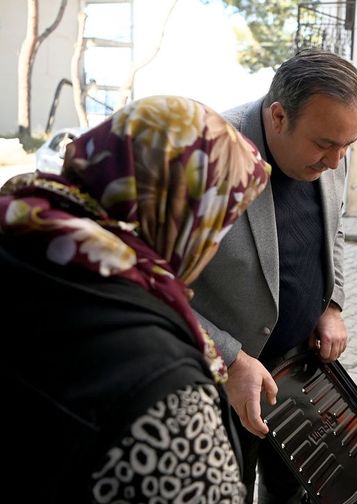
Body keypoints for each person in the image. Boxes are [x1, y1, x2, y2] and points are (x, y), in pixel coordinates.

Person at [1, 95, 270, 502]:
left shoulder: (20, 236)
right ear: (178, 216)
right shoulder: (166, 383)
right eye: (216, 226)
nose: (212, 247)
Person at [189, 48, 357, 503]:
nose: (336, 161)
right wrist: (230, 358)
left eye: (348, 145)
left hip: (298, 373)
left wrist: (331, 306)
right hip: (218, 384)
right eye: (325, 145)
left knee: (293, 491)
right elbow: (151, 285)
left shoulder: (334, 148)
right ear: (279, 116)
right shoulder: (206, 158)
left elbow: (335, 227)